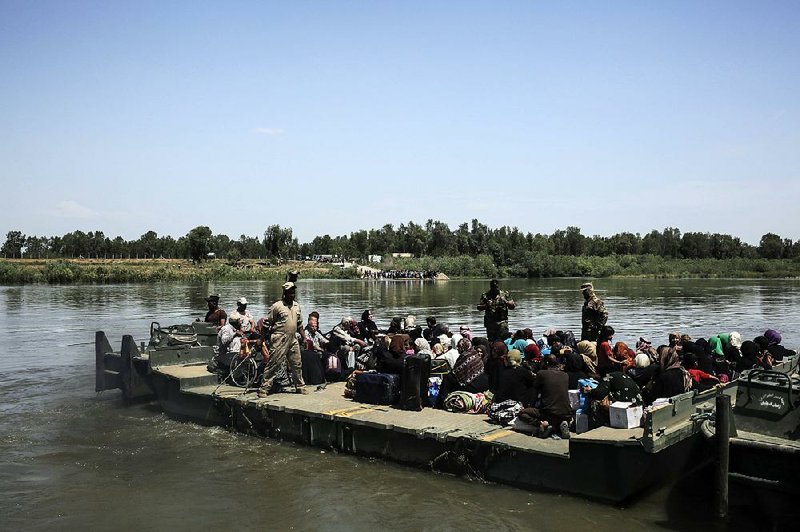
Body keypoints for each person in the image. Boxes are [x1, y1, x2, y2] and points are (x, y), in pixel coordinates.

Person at [258, 282, 307, 397]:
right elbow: (266, 324)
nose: (292, 295)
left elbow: (300, 324)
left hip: (293, 338)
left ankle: (300, 386)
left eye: (293, 293)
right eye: (289, 293)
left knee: (296, 363)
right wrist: (261, 339)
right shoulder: (277, 306)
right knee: (274, 363)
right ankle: (264, 388)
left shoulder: (297, 306)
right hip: (280, 337)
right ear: (284, 293)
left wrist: (304, 338)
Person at [518, 355, 573, 439]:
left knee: (522, 413)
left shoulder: (541, 373)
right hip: (566, 413)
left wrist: (530, 405)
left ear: (546, 363)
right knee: (556, 415)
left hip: (547, 413)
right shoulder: (565, 375)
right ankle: (560, 424)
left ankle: (542, 424)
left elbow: (535, 391)